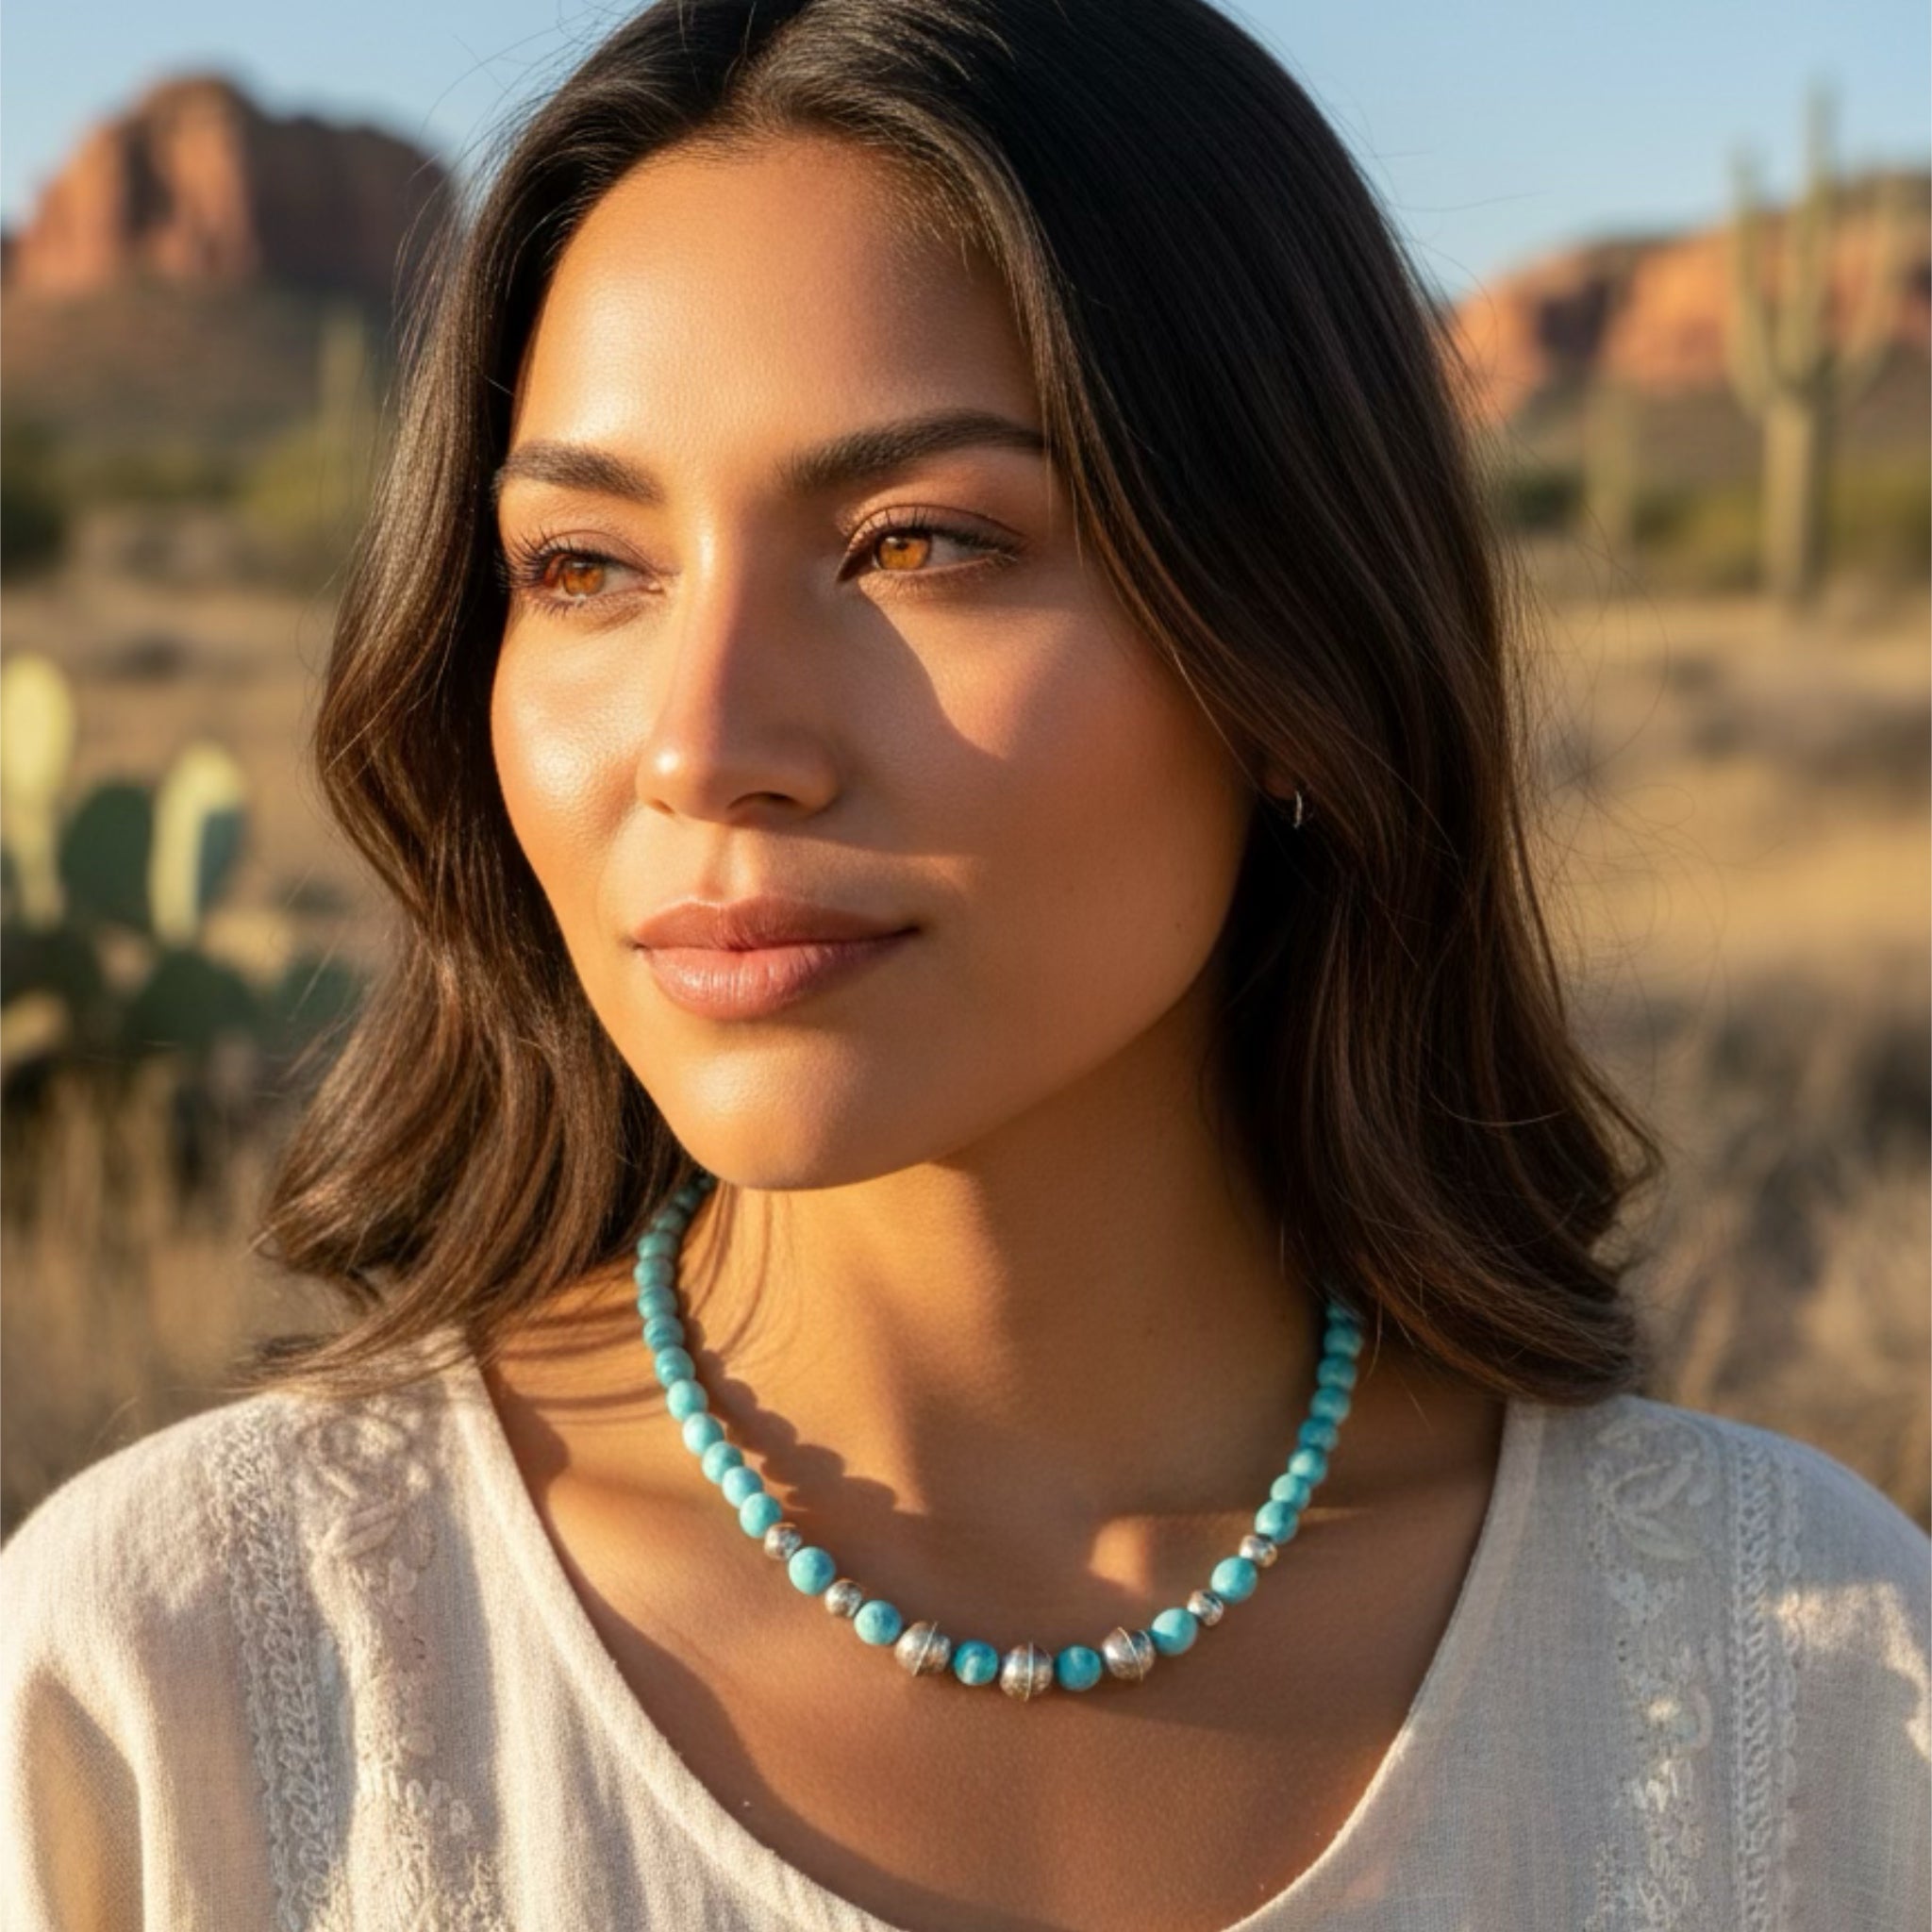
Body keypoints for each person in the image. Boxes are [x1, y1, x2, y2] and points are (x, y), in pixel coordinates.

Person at [3, 0, 1926, 1925]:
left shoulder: (1813, 1691)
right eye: (585, 567)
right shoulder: (173, 1687)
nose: (703, 740)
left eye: (920, 541)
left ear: (1288, 650)